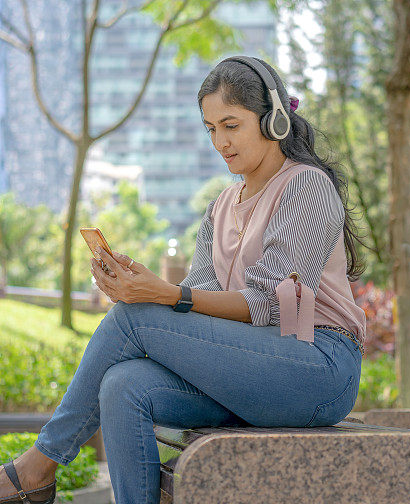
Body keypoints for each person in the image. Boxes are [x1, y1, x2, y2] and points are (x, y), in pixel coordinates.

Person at [0, 55, 370, 504]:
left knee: (131, 319)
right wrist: (146, 286)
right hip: (249, 370)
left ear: (272, 120)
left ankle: (36, 468)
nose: (220, 142)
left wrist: (163, 295)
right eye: (211, 128)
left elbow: (272, 306)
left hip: (316, 368)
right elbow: (200, 304)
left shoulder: (306, 186)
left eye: (231, 125)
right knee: (123, 385)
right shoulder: (220, 207)